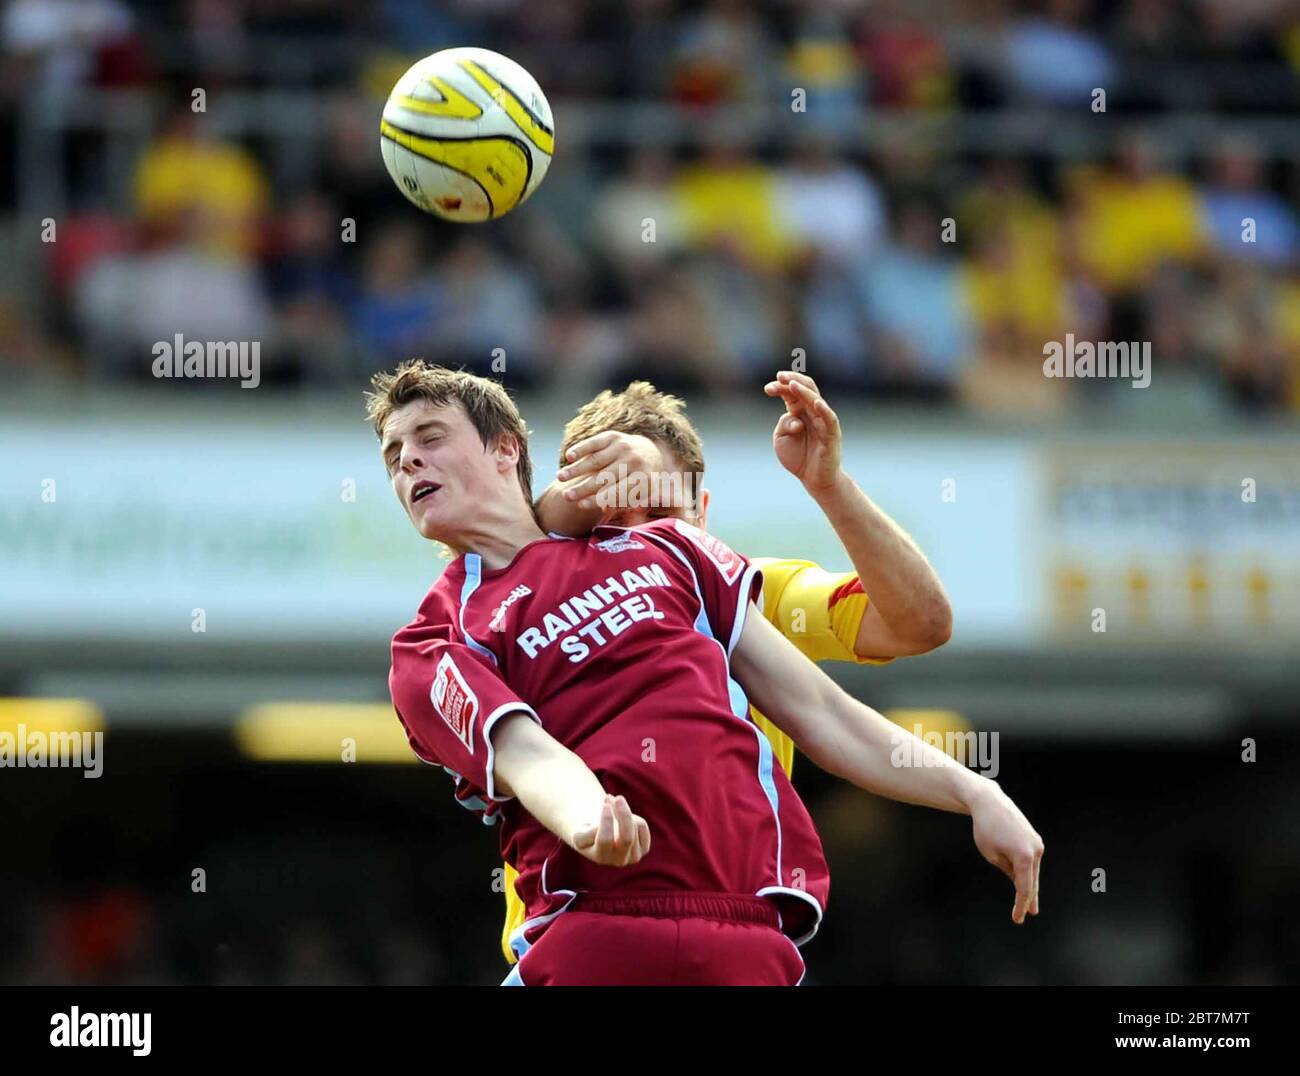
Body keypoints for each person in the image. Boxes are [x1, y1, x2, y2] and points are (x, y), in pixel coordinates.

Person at [368, 360, 1042, 986]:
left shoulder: (686, 557)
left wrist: (975, 793)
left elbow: (832, 706)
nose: (409, 462)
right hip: (587, 933)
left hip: (748, 932)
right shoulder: (435, 640)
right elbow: (528, 753)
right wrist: (586, 816)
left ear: (507, 447)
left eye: (429, 437)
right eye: (394, 458)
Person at [491, 372, 953, 965]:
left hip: (729, 947)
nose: (637, 538)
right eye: (612, 515)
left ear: (701, 515)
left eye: (660, 511)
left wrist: (830, 486)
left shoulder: (755, 597)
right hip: (572, 953)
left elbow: (921, 624)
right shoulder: (518, 618)